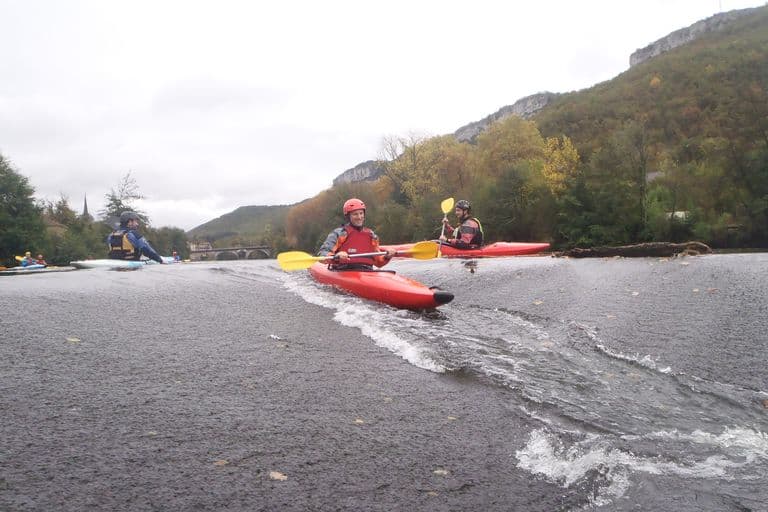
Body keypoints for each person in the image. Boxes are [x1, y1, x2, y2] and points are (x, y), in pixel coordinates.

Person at [317, 198, 396, 269]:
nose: (359, 217)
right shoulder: (339, 233)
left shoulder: (371, 235)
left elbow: (379, 262)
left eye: (361, 213)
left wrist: (387, 257)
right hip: (343, 271)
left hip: (367, 272)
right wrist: (336, 256)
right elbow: (322, 254)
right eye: (355, 214)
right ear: (348, 217)